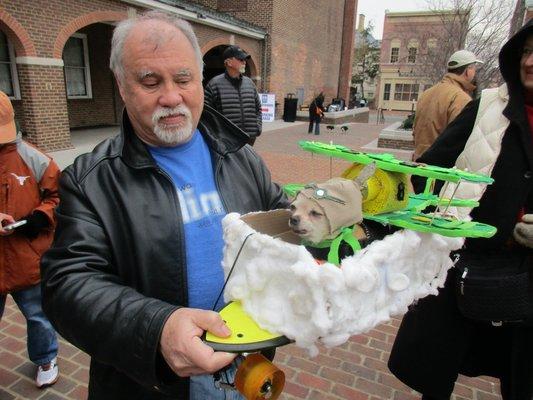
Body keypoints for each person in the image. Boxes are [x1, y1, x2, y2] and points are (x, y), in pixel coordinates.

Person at [40, 11, 287, 400]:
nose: (171, 97)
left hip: (249, 364)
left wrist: (321, 237)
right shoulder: (90, 181)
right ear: (122, 87)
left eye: (184, 79)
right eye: (150, 81)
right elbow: (67, 285)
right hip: (154, 382)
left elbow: (283, 225)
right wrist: (156, 329)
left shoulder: (241, 156)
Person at [388, 20, 533, 400]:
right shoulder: (485, 105)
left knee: (522, 376)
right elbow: (433, 164)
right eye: (528, 51)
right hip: (465, 257)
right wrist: (381, 201)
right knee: (437, 366)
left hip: (528, 272)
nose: (531, 61)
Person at [0, 91, 60, 388]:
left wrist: (39, 216)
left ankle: (46, 358)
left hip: (28, 257)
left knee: (38, 316)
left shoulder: (34, 158)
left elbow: (59, 196)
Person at [412, 49, 483, 160]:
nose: (474, 73)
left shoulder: (427, 93)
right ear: (468, 71)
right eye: (474, 68)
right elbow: (457, 139)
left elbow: (415, 130)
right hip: (440, 169)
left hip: (418, 162)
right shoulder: (461, 98)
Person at [204, 45, 262, 146]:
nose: (244, 62)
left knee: (247, 162)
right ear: (228, 62)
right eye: (240, 59)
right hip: (227, 142)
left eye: (245, 59)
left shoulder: (250, 83)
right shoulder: (214, 85)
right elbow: (207, 114)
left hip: (250, 138)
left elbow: (258, 108)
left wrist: (257, 127)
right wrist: (218, 135)